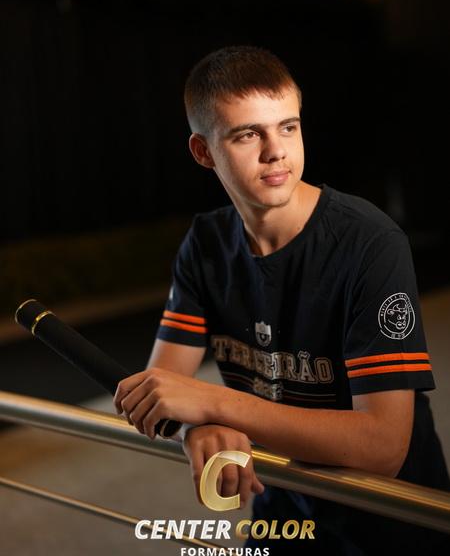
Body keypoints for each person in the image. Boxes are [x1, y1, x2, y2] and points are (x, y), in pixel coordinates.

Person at [113, 46, 450, 554]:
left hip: (391, 517)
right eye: (248, 134)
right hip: (284, 504)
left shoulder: (370, 243)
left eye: (287, 127)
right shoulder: (205, 244)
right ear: (203, 152)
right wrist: (195, 428)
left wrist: (216, 405)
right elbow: (165, 386)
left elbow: (382, 447)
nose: (276, 152)